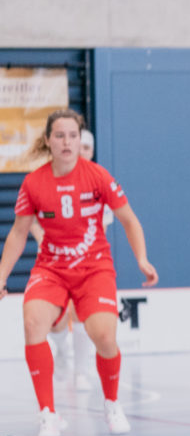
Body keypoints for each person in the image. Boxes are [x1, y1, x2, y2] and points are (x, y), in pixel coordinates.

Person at [0, 110, 158, 436]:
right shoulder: (33, 183)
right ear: (48, 140)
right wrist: (2, 276)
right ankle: (48, 414)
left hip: (94, 268)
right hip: (51, 269)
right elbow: (18, 233)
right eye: (59, 135)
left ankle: (112, 404)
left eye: (73, 135)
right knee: (32, 322)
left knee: (104, 336)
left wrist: (142, 259)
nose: (67, 142)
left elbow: (129, 219)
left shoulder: (97, 176)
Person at [36, 128, 111, 392]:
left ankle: (81, 371)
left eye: (88, 148)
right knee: (56, 318)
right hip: (54, 262)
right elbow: (30, 218)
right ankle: (61, 351)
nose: (83, 152)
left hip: (86, 263)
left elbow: (102, 227)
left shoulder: (99, 181)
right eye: (81, 147)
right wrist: (44, 240)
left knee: (81, 314)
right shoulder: (48, 179)